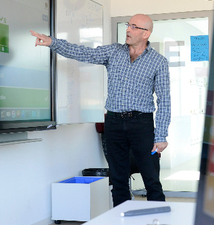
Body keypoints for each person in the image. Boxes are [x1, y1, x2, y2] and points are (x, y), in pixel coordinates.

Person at [30, 14, 170, 206]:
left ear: (146, 33)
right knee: (118, 178)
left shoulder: (158, 61)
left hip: (142, 124)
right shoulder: (114, 51)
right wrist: (52, 42)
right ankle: (122, 221)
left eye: (134, 27)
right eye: (128, 25)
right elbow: (83, 53)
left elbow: (165, 100)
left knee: (151, 178)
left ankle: (159, 223)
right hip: (113, 123)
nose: (128, 30)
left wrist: (161, 135)